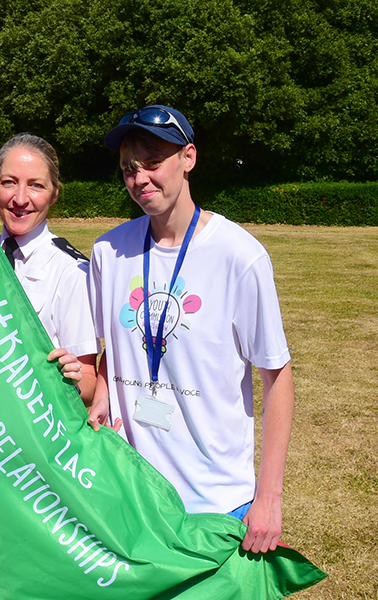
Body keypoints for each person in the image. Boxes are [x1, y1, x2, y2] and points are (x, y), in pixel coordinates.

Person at [86, 105, 295, 554]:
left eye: (153, 162)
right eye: (128, 168)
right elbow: (111, 344)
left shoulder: (239, 257)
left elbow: (277, 379)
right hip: (131, 492)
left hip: (215, 502)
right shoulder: (108, 251)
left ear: (189, 158)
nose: (140, 178)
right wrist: (104, 384)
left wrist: (269, 498)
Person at [0, 133, 98, 404]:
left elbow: (89, 379)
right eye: (9, 182)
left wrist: (70, 381)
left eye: (36, 185)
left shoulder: (72, 272)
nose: (20, 198)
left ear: (54, 194)